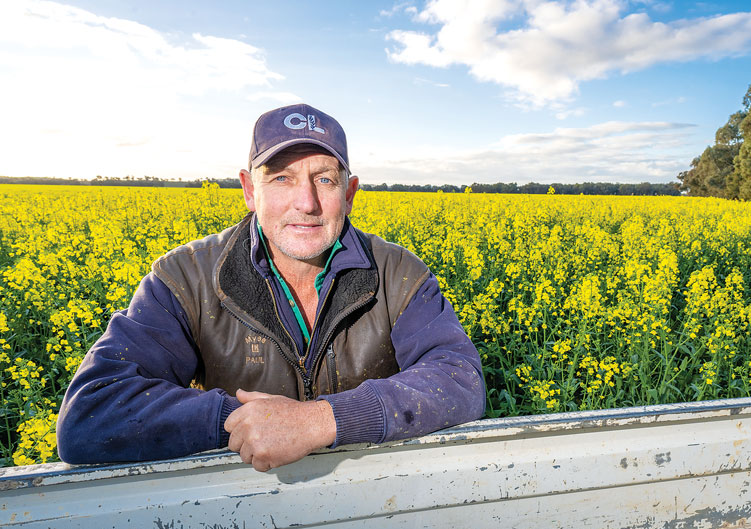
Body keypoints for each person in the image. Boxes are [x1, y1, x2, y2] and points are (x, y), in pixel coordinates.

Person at [56, 104, 486, 472]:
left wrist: (319, 422)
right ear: (249, 190)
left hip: (374, 504)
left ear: (350, 193)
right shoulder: (185, 277)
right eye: (281, 178)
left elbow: (460, 379)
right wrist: (245, 421)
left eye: (324, 180)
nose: (306, 203)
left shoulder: (398, 272)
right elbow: (92, 413)